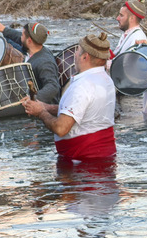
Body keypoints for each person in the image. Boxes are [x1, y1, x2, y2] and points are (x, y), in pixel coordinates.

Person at [20, 32, 116, 161]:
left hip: (82, 161)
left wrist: (40, 112)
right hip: (105, 155)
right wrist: (45, 106)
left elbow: (61, 128)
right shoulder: (106, 79)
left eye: (77, 51)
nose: (75, 55)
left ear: (85, 57)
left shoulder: (82, 86)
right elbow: (79, 110)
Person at [0, 20, 60, 104]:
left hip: (41, 106)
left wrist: (33, 98)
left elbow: (53, 87)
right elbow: (20, 38)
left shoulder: (44, 62)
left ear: (29, 40)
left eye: (22, 34)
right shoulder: (34, 46)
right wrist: (4, 30)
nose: (20, 36)